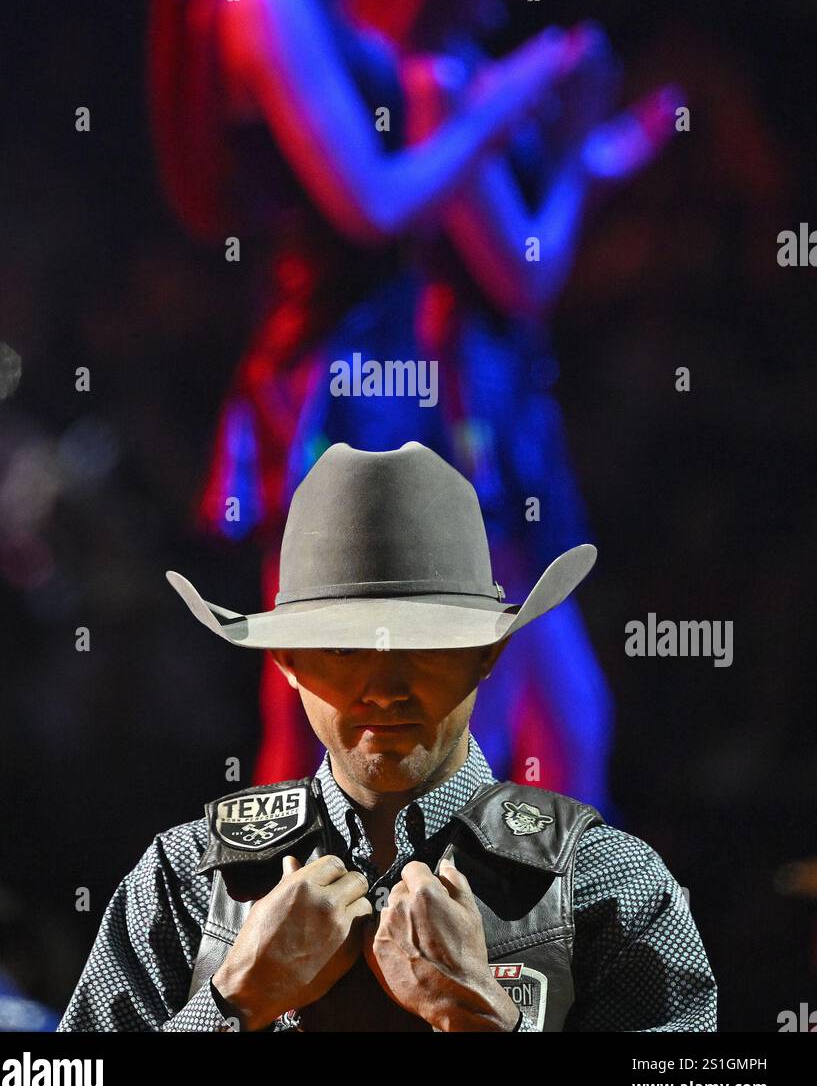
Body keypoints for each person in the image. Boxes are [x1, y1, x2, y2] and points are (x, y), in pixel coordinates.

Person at [146, 0, 595, 792]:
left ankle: (282, 949)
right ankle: (280, 950)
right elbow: (375, 201)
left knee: (333, 716)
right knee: (337, 725)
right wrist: (505, 100)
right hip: (341, 380)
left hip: (354, 370)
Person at [57, 442, 717, 1032]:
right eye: (344, 648)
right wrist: (233, 1000)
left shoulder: (607, 883)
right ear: (286, 661)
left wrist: (485, 1017)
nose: (384, 686)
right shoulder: (185, 881)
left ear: (487, 653)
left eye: (423, 645)